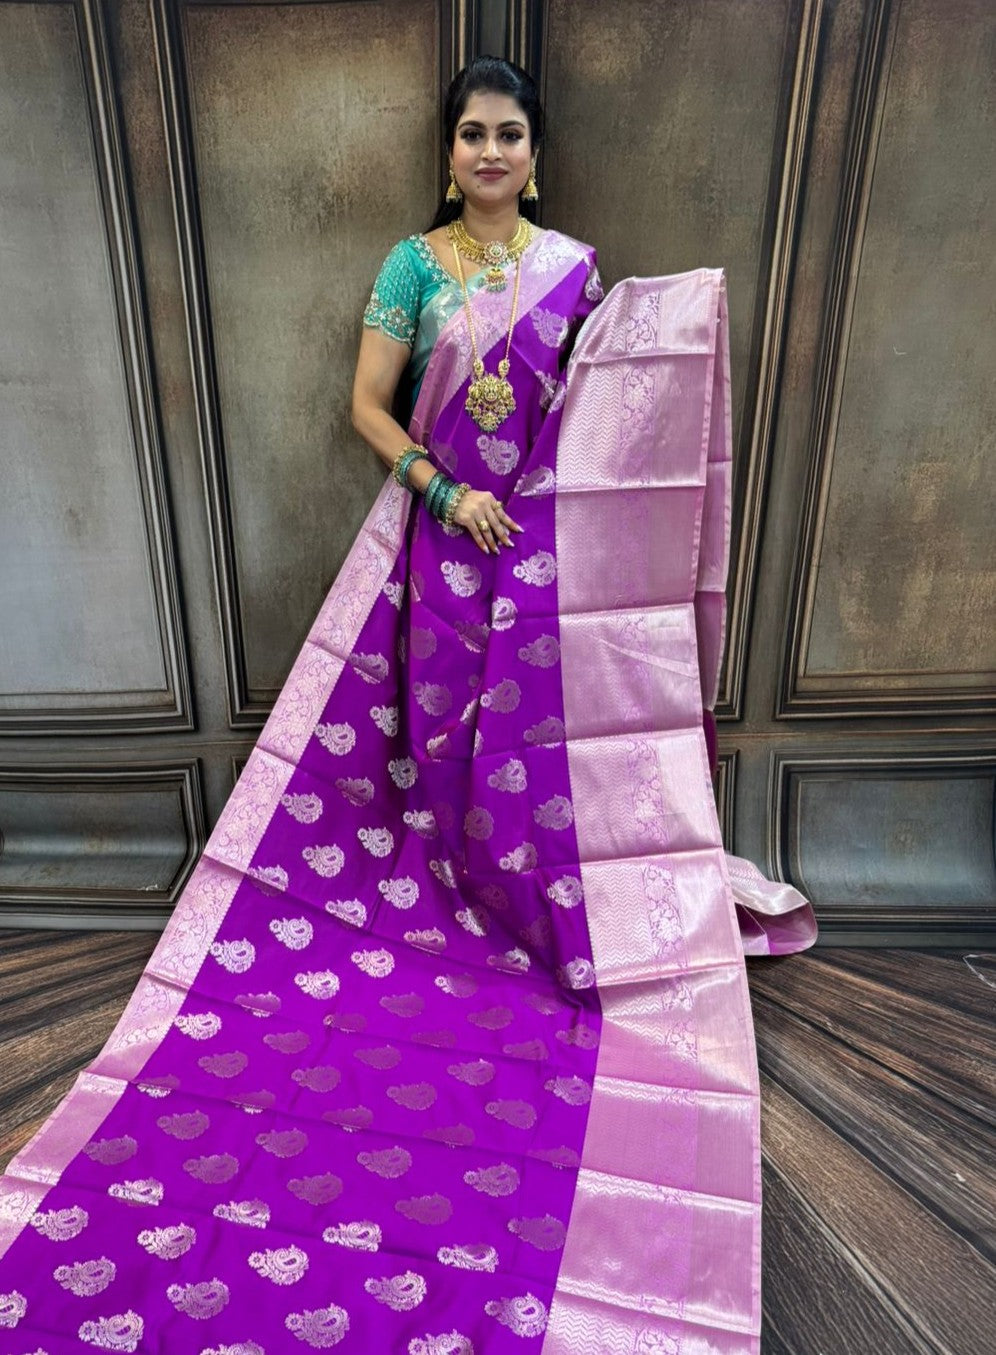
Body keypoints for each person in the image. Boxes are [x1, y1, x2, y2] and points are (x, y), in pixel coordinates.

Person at [0, 57, 814, 1354]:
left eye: (510, 134)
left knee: (538, 758)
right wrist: (446, 492)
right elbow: (366, 409)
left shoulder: (574, 272)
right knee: (436, 753)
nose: (491, 151)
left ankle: (532, 915)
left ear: (533, 156)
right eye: (473, 134)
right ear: (449, 155)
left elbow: (600, 424)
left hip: (542, 568)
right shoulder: (413, 267)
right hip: (442, 548)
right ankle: (441, 906)